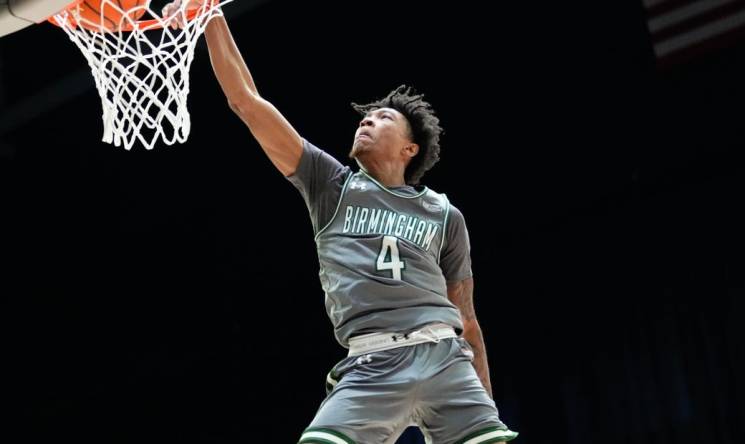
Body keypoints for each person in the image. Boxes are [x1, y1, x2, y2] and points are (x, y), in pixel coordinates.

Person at [163, 1, 518, 443]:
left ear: (410, 149)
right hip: (370, 365)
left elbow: (467, 318)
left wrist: (485, 402)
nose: (367, 119)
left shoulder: (445, 214)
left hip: (444, 359)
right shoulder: (330, 184)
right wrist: (209, 13)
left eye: (383, 117)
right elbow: (246, 102)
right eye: (365, 116)